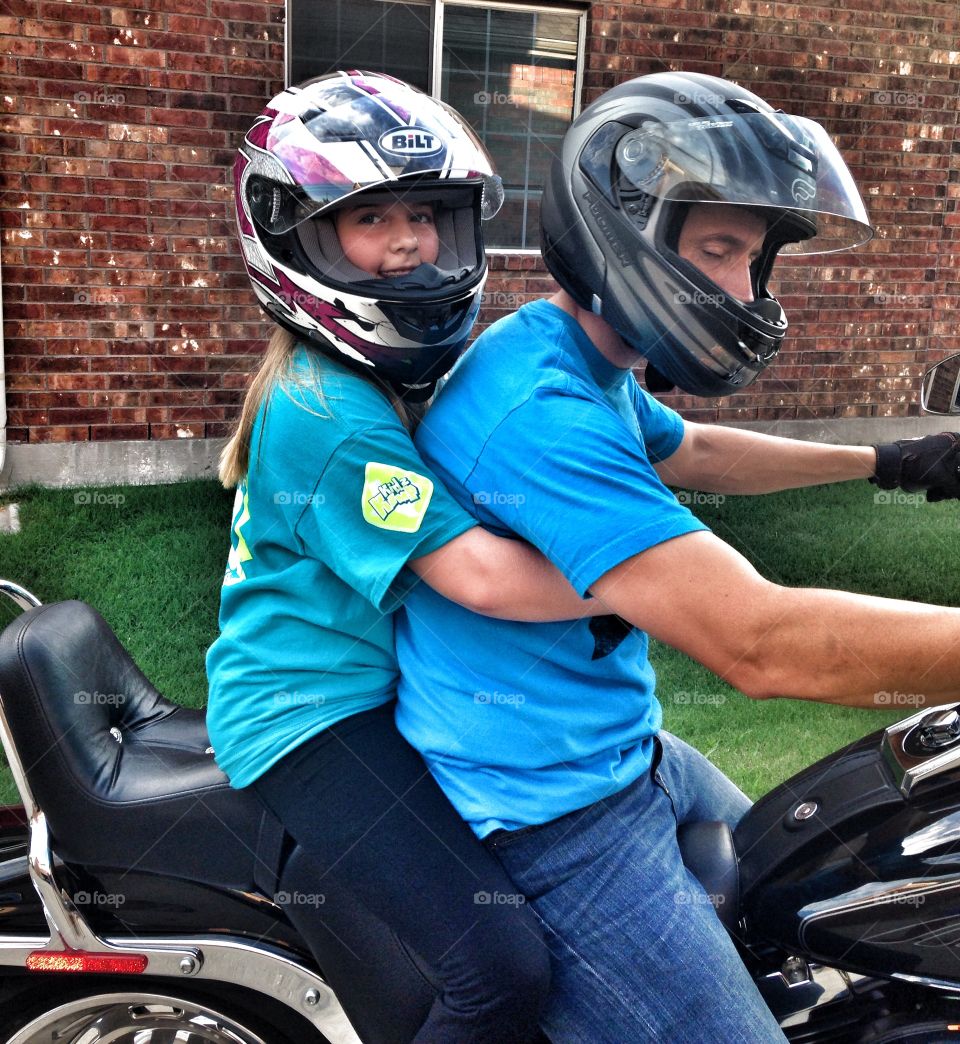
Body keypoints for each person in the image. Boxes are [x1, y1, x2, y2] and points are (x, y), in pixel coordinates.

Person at [394, 71, 960, 1043]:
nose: (746, 290)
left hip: (628, 752)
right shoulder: (540, 414)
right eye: (719, 251)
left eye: (754, 257)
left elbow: (690, 450)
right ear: (624, 233)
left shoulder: (571, 351)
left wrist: (891, 460)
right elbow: (762, 643)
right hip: (549, 814)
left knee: (827, 925)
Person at [205, 71, 600, 1044]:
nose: (411, 241)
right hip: (308, 717)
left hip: (381, 689)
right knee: (494, 965)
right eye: (370, 218)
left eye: (425, 213)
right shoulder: (329, 414)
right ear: (295, 238)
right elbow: (479, 578)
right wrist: (636, 583)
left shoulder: (370, 378)